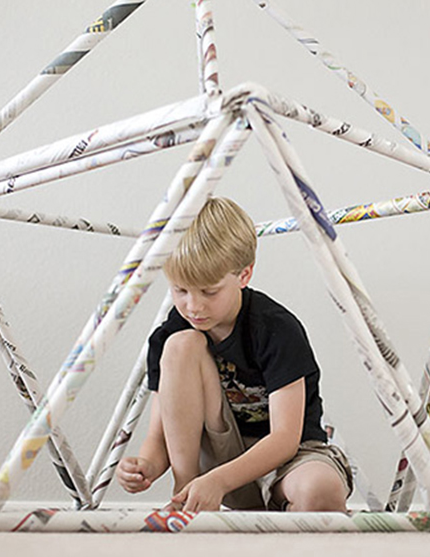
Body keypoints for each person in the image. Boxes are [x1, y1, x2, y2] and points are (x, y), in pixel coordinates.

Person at [116, 196, 353, 513]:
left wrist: (220, 481)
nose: (193, 306)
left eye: (209, 291)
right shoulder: (172, 335)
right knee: (180, 344)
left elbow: (285, 439)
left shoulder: (275, 329)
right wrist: (144, 465)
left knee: (320, 490)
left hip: (289, 458)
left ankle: (285, 522)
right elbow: (159, 437)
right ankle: (185, 495)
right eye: (180, 290)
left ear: (244, 275)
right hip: (217, 461)